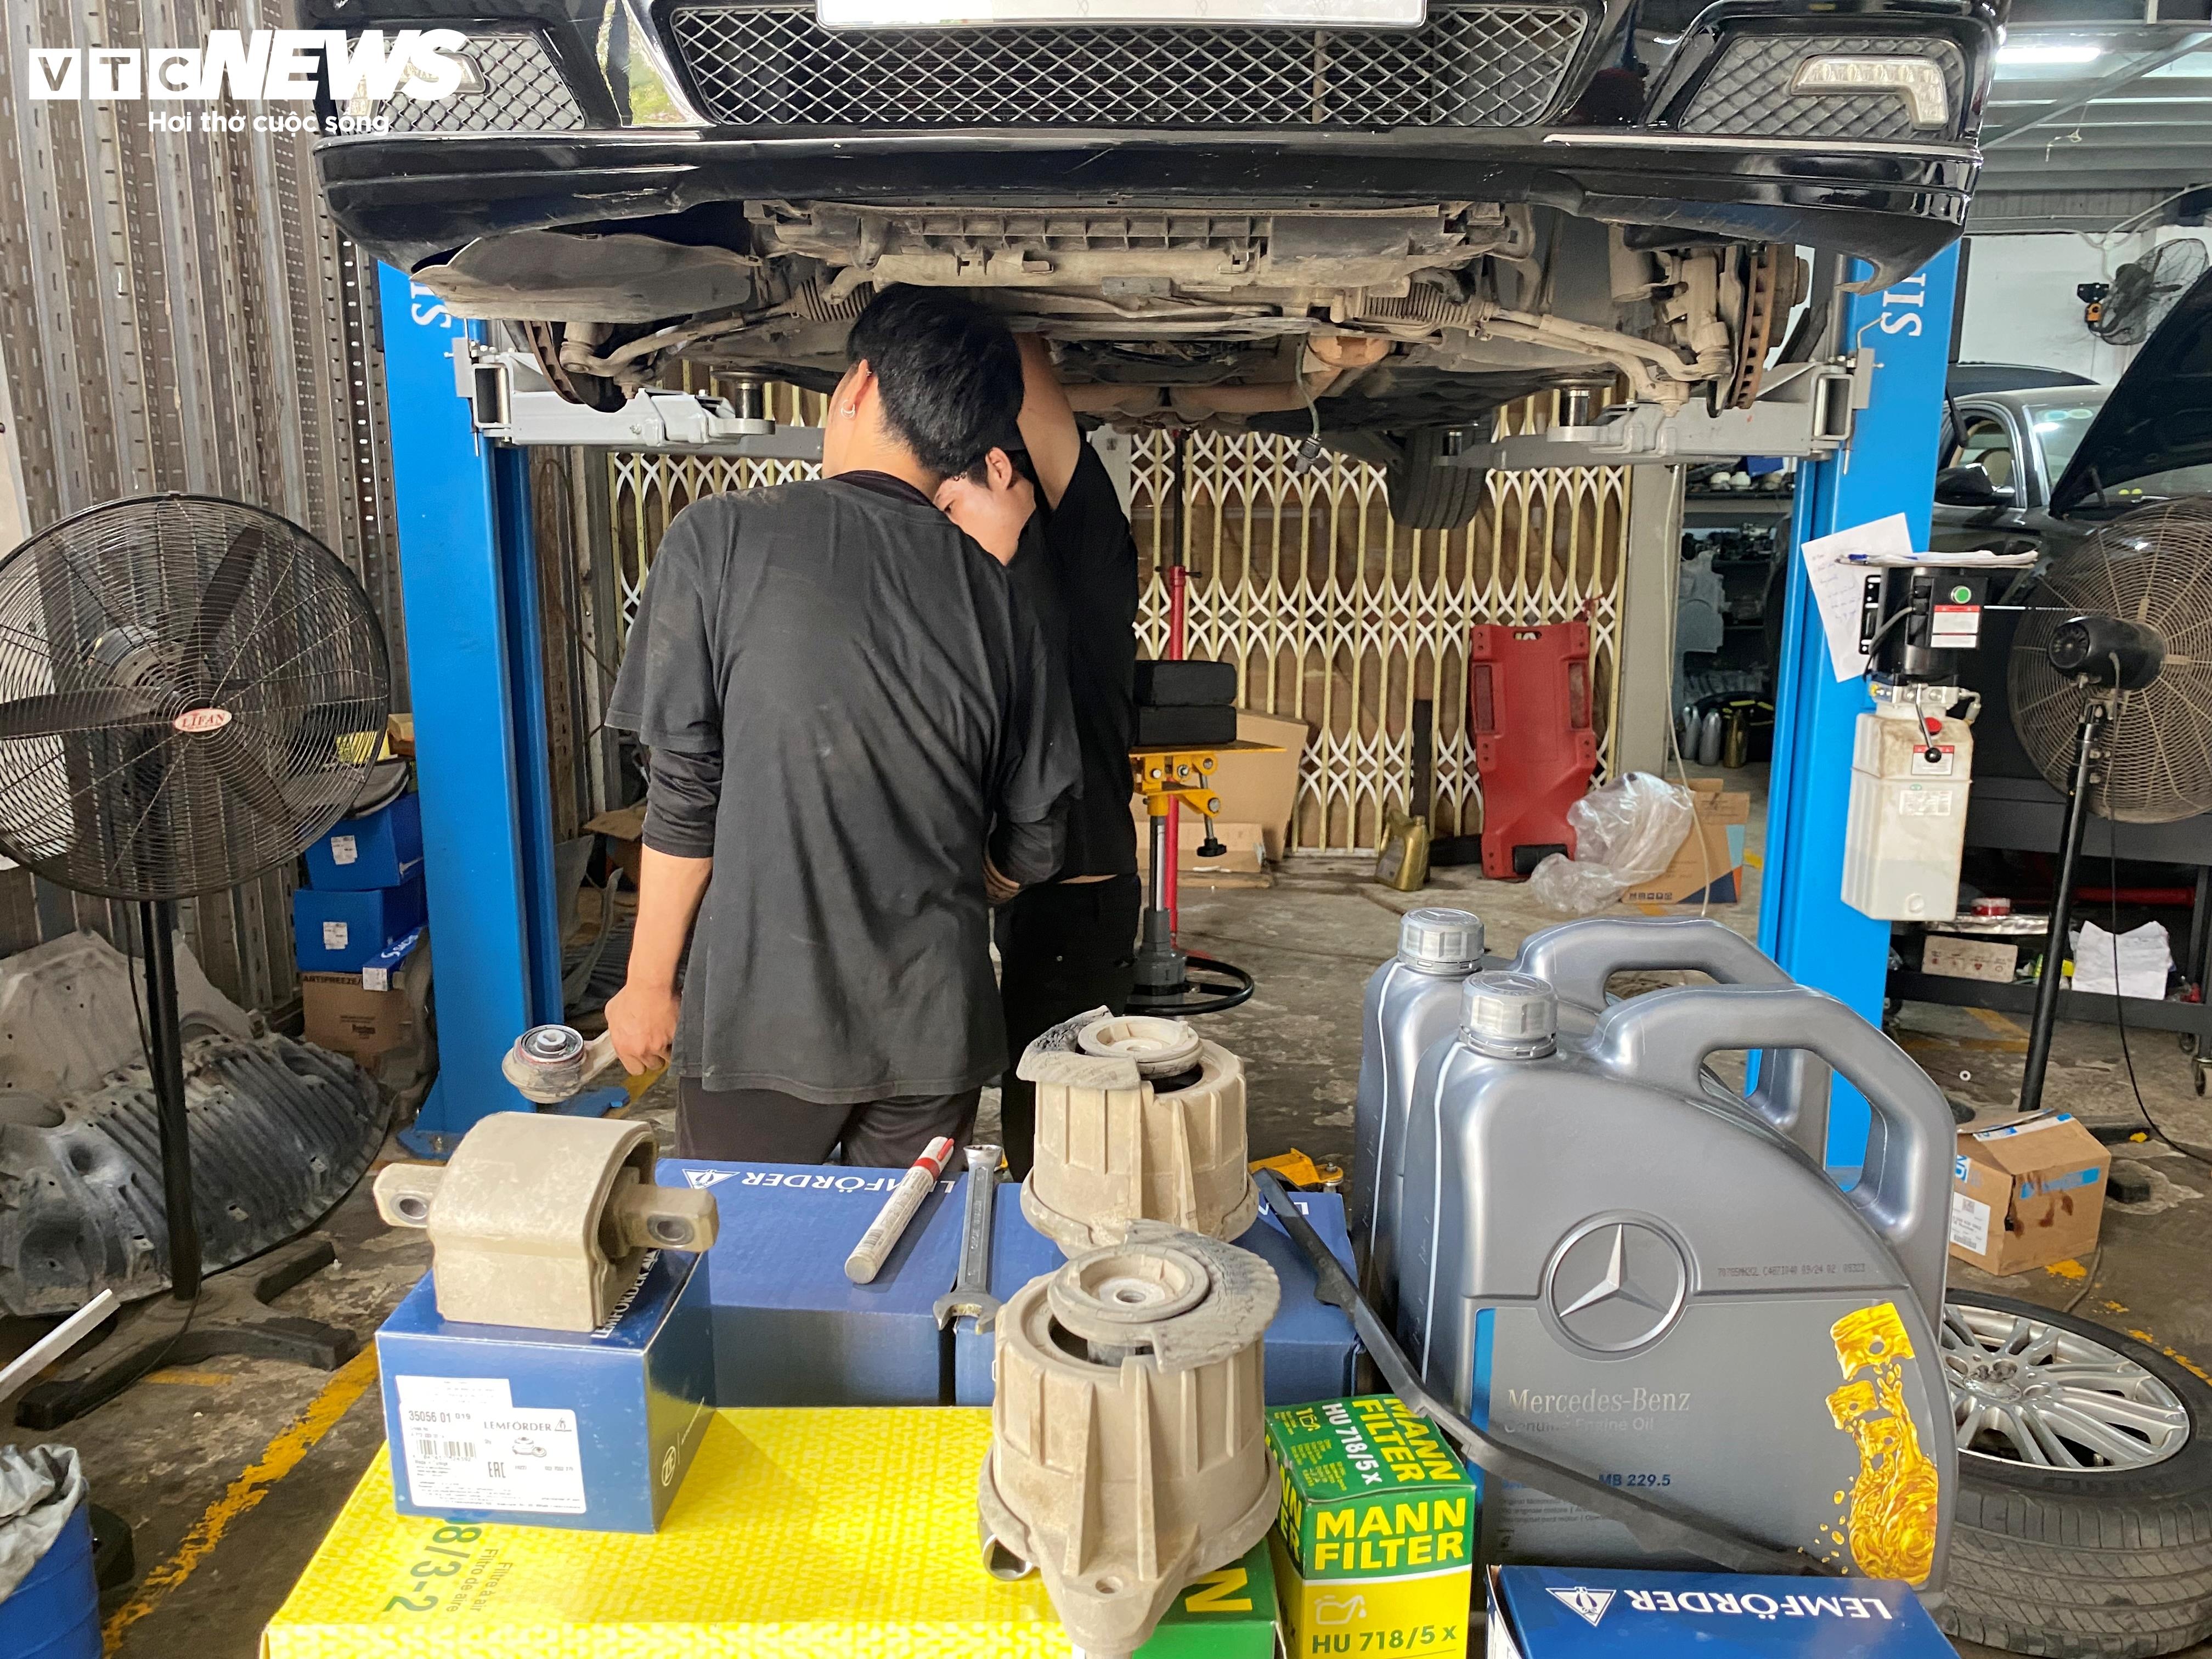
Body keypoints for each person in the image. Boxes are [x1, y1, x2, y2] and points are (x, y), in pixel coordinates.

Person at [602, 286, 1080, 1167]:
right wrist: (980, 880)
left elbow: (685, 793)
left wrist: (646, 984)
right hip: (933, 1032)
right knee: (897, 1246)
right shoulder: (1001, 598)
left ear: (858, 385)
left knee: (751, 1246)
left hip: (763, 1026)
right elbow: (1040, 832)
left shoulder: (719, 541)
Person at [936, 337, 1141, 1178]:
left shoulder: (1082, 563)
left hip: (1077, 903)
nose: (945, 526)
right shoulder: (973, 587)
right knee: (1032, 1117)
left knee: (1067, 1138)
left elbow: (1048, 419)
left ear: (999, 469)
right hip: (1025, 899)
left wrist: (993, 313)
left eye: (952, 504)